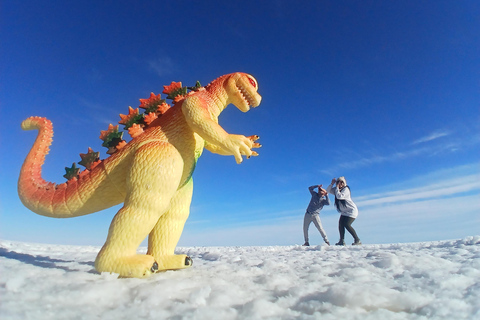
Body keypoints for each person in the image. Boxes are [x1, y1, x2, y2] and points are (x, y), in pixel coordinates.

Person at [326, 177, 361, 246]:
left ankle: (357, 240)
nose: (340, 183)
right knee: (341, 224)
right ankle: (341, 241)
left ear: (344, 183)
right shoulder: (337, 190)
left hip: (351, 211)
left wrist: (336, 188)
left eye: (342, 182)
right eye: (338, 182)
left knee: (347, 224)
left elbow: (340, 196)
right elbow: (328, 191)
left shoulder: (346, 189)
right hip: (344, 211)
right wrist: (332, 184)